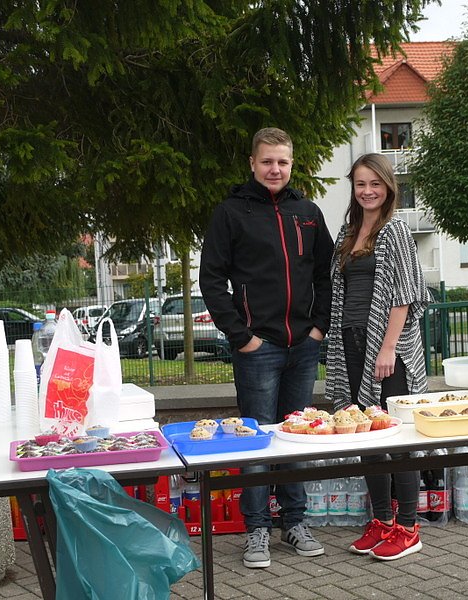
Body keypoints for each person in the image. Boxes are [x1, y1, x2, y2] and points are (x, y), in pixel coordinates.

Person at [200, 127, 334, 569]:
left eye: (282, 162)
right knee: (256, 441)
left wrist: (319, 328)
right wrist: (242, 337)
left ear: (292, 164)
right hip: (259, 349)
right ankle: (256, 529)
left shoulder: (307, 212)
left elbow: (325, 275)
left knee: (294, 438)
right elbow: (211, 280)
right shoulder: (230, 213)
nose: (275, 169)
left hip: (304, 346)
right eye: (267, 161)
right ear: (252, 164)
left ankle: (295, 522)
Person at [325, 153, 432, 561]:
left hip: (389, 349)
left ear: (388, 187)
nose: (367, 191)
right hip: (351, 343)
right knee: (367, 436)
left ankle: (408, 527)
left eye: (375, 184)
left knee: (398, 439)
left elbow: (405, 295)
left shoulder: (396, 230)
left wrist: (388, 348)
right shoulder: (348, 231)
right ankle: (382, 521)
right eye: (360, 184)